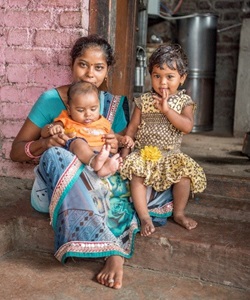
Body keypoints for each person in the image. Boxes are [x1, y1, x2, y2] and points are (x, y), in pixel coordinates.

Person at [10, 34, 173, 289]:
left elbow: (120, 148)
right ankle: (112, 247)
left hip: (104, 182)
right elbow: (15, 152)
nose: (89, 74)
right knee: (58, 154)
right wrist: (45, 144)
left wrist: (116, 145)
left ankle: (113, 248)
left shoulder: (114, 105)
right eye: (82, 64)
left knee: (136, 175)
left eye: (98, 67)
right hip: (58, 190)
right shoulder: (51, 100)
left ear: (107, 71)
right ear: (72, 65)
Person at [120, 44, 207, 236]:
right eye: (157, 76)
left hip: (171, 155)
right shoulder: (143, 101)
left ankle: (179, 213)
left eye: (170, 76)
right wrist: (125, 151)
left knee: (184, 178)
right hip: (144, 154)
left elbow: (186, 127)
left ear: (182, 78)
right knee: (137, 178)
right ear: (150, 76)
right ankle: (144, 217)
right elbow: (132, 129)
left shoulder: (184, 102)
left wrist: (167, 110)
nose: (163, 82)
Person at [41, 80, 129, 177]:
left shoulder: (102, 122)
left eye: (93, 109)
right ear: (69, 109)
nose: (88, 114)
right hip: (79, 158)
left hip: (100, 155)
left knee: (108, 154)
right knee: (78, 142)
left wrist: (122, 139)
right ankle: (94, 161)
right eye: (80, 110)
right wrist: (52, 128)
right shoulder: (65, 119)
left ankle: (104, 169)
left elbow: (112, 136)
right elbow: (44, 133)